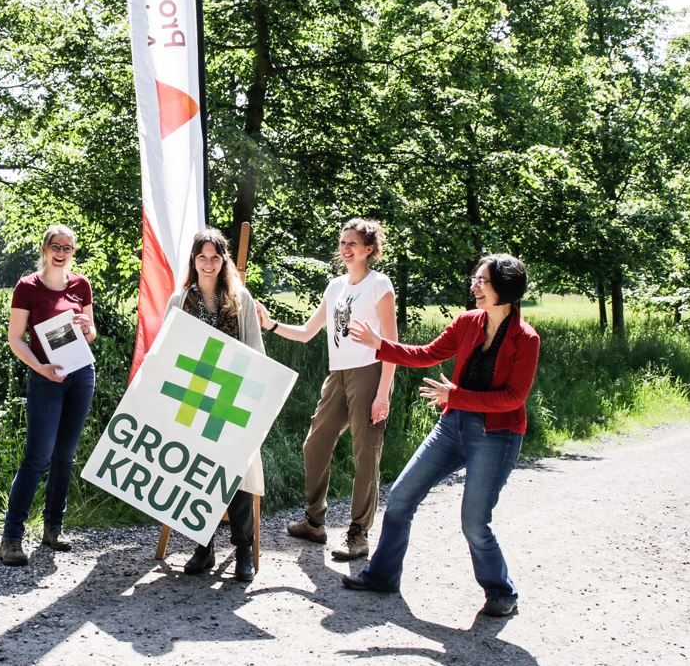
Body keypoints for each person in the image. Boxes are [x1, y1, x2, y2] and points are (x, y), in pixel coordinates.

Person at [342, 253, 539, 618]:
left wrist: (456, 396)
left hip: (496, 436)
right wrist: (379, 344)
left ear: (505, 289)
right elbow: (427, 354)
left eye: (483, 281)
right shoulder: (467, 323)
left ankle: (501, 591)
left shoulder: (525, 339)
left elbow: (514, 398)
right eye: (475, 279)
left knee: (474, 521)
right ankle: (383, 576)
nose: (474, 286)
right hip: (453, 426)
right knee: (400, 498)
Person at [258, 218, 398, 561]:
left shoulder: (380, 286)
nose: (346, 248)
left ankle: (358, 533)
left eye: (353, 243)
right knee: (315, 444)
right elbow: (307, 332)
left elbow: (392, 346)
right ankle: (314, 520)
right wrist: (271, 324)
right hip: (337, 374)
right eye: (343, 242)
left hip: (369, 371)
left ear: (369, 249)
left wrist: (383, 394)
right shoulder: (335, 287)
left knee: (365, 452)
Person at [163, 228, 266, 582]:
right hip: (190, 399)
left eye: (215, 257)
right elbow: (166, 353)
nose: (208, 264)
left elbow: (256, 351)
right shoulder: (179, 302)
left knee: (233, 473)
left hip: (229, 400)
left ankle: (243, 551)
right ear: (194, 260)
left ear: (223, 261)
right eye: (202, 257)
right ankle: (203, 547)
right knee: (195, 473)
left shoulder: (241, 300)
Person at [0, 225, 98, 566]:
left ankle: (53, 528)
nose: (61, 251)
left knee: (65, 456)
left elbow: (92, 332)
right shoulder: (27, 287)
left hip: (81, 375)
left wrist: (87, 328)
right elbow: (16, 339)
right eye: (56, 246)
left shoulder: (81, 285)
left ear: (73, 251)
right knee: (37, 456)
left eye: (68, 247)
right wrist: (40, 368)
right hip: (46, 377)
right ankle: (11, 538)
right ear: (45, 248)